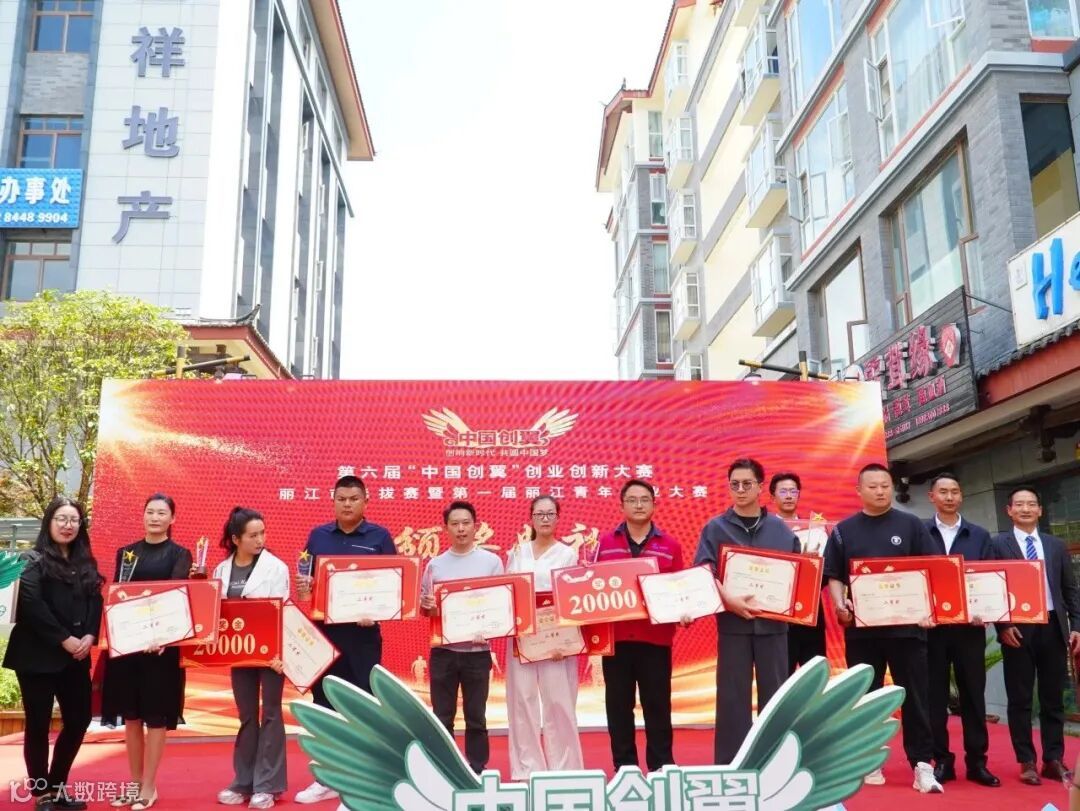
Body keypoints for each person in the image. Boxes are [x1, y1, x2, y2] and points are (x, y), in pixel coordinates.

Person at [823, 463, 942, 794]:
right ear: (859, 490)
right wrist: (840, 605)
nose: (880, 491)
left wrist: (928, 610)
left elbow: (932, 570)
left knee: (915, 698)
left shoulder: (911, 525)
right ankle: (869, 759)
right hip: (863, 631)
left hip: (908, 630)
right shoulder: (844, 530)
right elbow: (835, 576)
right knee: (866, 698)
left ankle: (922, 765)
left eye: (885, 485)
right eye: (873, 486)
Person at [293, 475, 396, 804]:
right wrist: (305, 588)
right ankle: (326, 777)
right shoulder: (318, 536)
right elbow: (306, 583)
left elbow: (394, 586)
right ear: (333, 501)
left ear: (366, 501)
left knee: (364, 705)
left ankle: (364, 778)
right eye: (341, 499)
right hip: (325, 635)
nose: (347, 504)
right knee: (324, 705)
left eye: (353, 499)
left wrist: (376, 611)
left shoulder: (380, 537)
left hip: (363, 635)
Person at [695, 459, 800, 765]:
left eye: (747, 484)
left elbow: (798, 575)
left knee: (775, 696)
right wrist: (728, 600)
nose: (740, 490)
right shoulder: (715, 528)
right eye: (734, 484)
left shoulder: (780, 530)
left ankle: (775, 761)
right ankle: (731, 765)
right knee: (732, 698)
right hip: (733, 625)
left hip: (774, 626)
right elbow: (704, 570)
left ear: (760, 487)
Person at [3, 497, 103, 811]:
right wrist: (64, 639)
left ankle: (58, 786)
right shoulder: (31, 560)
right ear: (49, 522)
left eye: (73, 520)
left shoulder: (86, 563)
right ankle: (42, 792)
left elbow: (95, 602)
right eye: (61, 518)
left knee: (79, 719)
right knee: (39, 723)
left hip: (76, 656)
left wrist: (89, 635)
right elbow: (32, 603)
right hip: (36, 656)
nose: (67, 525)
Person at [104, 493, 193, 810]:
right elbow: (119, 596)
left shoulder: (180, 554)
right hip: (129, 646)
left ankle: (149, 786)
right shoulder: (126, 553)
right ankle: (134, 783)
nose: (155, 518)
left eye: (162, 513)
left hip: (161, 650)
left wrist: (162, 636)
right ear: (143, 515)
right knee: (131, 716)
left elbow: (176, 598)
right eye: (150, 512)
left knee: (155, 718)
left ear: (172, 519)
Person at [990, 485, 1080, 787]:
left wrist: (1076, 625)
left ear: (1040, 510)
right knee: (1020, 698)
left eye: (1031, 504)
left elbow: (1070, 590)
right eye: (1019, 504)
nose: (1026, 509)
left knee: (1053, 697)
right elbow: (992, 588)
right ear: (1009, 511)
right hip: (1017, 629)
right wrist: (1002, 626)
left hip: (1053, 626)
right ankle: (1026, 760)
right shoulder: (997, 544)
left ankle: (1053, 759)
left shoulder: (1055, 545)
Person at [595, 479, 685, 774]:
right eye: (632, 500)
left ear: (654, 505)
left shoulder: (670, 546)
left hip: (655, 640)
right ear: (621, 505)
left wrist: (685, 610)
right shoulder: (605, 544)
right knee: (618, 707)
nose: (638, 505)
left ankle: (661, 767)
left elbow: (679, 589)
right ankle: (625, 768)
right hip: (617, 640)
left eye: (644, 499)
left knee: (657, 705)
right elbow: (593, 587)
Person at [923, 474, 999, 787]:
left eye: (955, 491)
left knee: (973, 696)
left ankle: (977, 763)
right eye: (943, 491)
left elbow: (990, 578)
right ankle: (942, 761)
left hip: (970, 629)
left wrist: (988, 611)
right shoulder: (920, 533)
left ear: (961, 496)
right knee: (934, 698)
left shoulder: (979, 535)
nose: (950, 497)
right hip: (932, 629)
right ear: (931, 496)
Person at [213, 507, 290, 809]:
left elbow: (283, 612)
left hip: (271, 655)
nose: (260, 540)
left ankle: (268, 786)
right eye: (252, 535)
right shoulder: (220, 571)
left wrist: (281, 653)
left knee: (270, 713)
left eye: (262, 533)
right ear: (236, 539)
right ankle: (243, 782)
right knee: (246, 715)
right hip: (239, 652)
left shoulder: (276, 568)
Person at [419, 501, 504, 774]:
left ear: (475, 526)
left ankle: (477, 768)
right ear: (446, 528)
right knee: (442, 716)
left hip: (477, 652)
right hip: (443, 651)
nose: (461, 529)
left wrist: (488, 628)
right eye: (454, 524)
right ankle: (445, 768)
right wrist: (427, 606)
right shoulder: (435, 565)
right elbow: (425, 607)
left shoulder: (491, 562)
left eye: (466, 523)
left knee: (476, 716)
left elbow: (501, 604)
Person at [504, 495, 583, 780]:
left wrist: (564, 641)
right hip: (522, 637)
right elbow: (507, 593)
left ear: (558, 518)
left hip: (556, 640)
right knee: (521, 700)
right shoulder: (517, 553)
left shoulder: (567, 555)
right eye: (540, 514)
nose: (545, 519)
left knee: (559, 701)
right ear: (531, 518)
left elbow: (571, 599)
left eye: (550, 514)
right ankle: (527, 768)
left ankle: (566, 768)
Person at [769, 471, 829, 673]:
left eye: (793, 491)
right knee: (780, 676)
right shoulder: (765, 532)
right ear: (772, 497)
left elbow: (827, 573)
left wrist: (810, 568)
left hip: (811, 615)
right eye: (783, 491)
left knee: (814, 675)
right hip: (777, 615)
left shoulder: (815, 531)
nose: (788, 496)